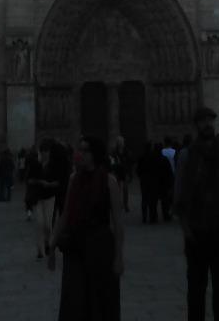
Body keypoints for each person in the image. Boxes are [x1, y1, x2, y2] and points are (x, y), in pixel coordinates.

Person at [173, 106, 219, 321]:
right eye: (203, 121)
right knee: (196, 290)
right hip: (196, 231)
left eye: (210, 120)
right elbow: (179, 194)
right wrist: (185, 229)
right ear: (197, 125)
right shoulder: (186, 156)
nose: (207, 124)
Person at [54, 135, 125, 321]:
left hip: (101, 248)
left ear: (95, 154)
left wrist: (118, 257)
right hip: (77, 247)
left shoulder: (109, 181)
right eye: (80, 150)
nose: (80, 154)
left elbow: (118, 223)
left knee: (101, 301)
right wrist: (52, 244)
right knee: (75, 302)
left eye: (85, 150)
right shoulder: (73, 180)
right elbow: (66, 214)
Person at [31, 140, 68, 267]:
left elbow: (59, 181)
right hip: (37, 198)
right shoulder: (36, 164)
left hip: (49, 197)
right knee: (39, 223)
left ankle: (47, 242)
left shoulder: (53, 165)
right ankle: (40, 251)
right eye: (43, 152)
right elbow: (28, 179)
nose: (45, 154)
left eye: (47, 152)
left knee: (48, 224)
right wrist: (37, 182)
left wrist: (49, 184)